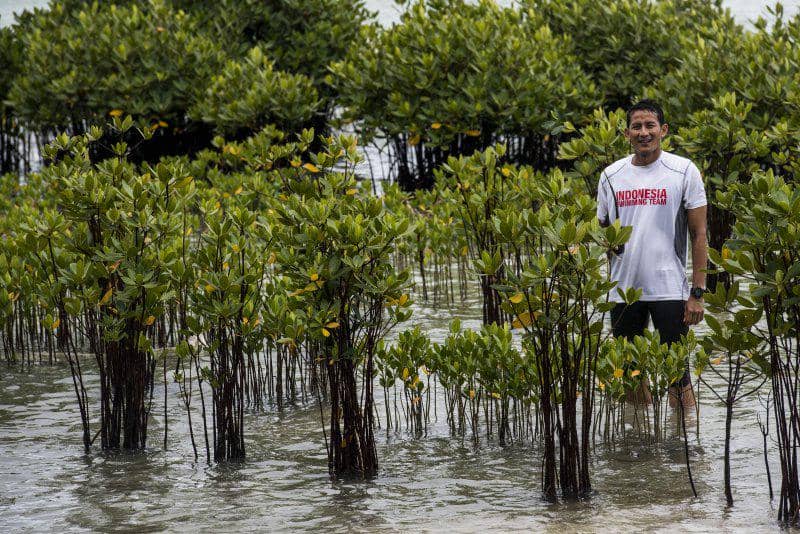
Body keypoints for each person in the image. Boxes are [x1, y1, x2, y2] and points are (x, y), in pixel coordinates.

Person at [597, 99, 707, 408]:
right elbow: (604, 233)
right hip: (623, 293)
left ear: (663, 130)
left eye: (650, 126)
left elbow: (700, 236)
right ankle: (640, 449)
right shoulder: (610, 176)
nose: (643, 133)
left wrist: (697, 292)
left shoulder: (683, 170)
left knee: (679, 376)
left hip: (670, 290)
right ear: (626, 133)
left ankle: (684, 443)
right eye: (636, 127)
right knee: (631, 376)